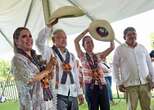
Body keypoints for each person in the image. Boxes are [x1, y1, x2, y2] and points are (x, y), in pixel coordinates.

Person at [36, 19, 84, 110]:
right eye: (60, 37)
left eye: (65, 37)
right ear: (54, 39)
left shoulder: (72, 56)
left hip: (72, 93)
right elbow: (39, 42)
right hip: (59, 93)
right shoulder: (49, 52)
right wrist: (48, 27)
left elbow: (76, 76)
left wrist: (79, 92)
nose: (64, 39)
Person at [11, 27, 56, 110]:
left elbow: (49, 77)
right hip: (32, 105)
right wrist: (47, 70)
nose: (29, 39)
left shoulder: (38, 58)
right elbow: (29, 79)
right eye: (24, 36)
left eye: (30, 36)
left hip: (46, 102)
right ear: (16, 41)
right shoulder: (17, 59)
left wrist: (51, 67)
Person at [113, 27, 154, 110]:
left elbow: (149, 64)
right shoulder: (119, 49)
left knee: (147, 108)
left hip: (145, 83)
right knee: (131, 108)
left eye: (134, 34)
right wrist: (118, 82)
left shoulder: (142, 48)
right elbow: (115, 66)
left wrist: (153, 79)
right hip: (130, 85)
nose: (132, 36)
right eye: (129, 34)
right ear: (124, 37)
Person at [74, 28, 115, 110]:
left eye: (91, 42)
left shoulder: (99, 55)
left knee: (106, 108)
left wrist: (110, 36)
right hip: (90, 87)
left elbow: (112, 47)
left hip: (102, 86)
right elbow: (76, 41)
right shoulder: (82, 56)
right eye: (87, 42)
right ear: (84, 46)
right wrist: (87, 30)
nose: (90, 44)